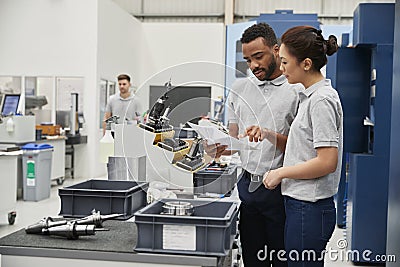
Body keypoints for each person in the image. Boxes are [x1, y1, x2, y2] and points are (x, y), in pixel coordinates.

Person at [248, 26, 342, 266]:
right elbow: (305, 149)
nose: (281, 69)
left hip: (309, 208)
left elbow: (327, 161)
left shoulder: (321, 101)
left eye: (285, 63)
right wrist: (269, 134)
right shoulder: (310, 97)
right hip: (300, 205)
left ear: (306, 64)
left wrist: (281, 172)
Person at [207, 23, 300, 267]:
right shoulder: (239, 89)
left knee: (281, 259)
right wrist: (218, 147)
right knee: (252, 259)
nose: (253, 66)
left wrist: (268, 134)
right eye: (248, 60)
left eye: (258, 57)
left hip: (282, 189)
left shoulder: (296, 90)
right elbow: (235, 142)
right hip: (248, 187)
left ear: (276, 50)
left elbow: (302, 149)